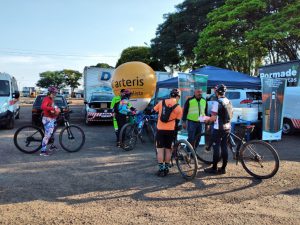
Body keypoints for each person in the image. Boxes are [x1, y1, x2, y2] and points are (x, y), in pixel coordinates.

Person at [203, 84, 233, 174]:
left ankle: (214, 168)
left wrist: (207, 121)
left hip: (218, 128)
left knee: (216, 148)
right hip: (227, 127)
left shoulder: (217, 102)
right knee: (224, 147)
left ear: (217, 92)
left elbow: (213, 118)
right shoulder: (228, 101)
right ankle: (223, 168)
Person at [153, 89, 183, 177]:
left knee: (160, 150)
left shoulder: (161, 102)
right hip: (170, 130)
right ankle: (166, 168)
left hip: (160, 129)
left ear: (170, 95)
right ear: (178, 97)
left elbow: (154, 110)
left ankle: (161, 169)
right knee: (168, 149)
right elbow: (177, 122)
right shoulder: (178, 107)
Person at [40, 86, 60, 156]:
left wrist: (57, 109)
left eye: (56, 93)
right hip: (47, 119)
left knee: (53, 131)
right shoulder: (47, 99)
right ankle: (43, 151)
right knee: (47, 135)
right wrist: (53, 108)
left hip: (51, 118)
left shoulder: (51, 100)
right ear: (50, 93)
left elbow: (53, 108)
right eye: (54, 93)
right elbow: (43, 107)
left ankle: (51, 145)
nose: (55, 95)